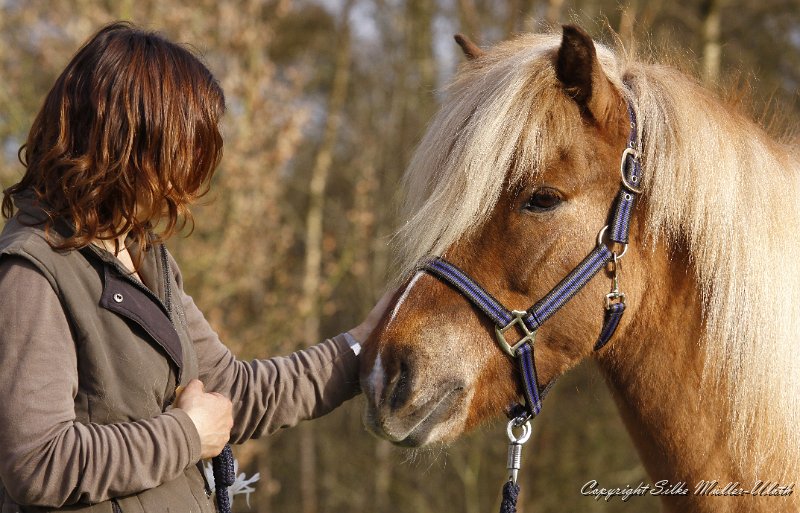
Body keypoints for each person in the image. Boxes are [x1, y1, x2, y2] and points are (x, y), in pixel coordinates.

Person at [0, 22, 390, 513]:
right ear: (128, 143)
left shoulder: (142, 256)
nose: (186, 176)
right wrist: (187, 435)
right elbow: (39, 463)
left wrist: (362, 346)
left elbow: (236, 393)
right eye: (180, 150)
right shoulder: (30, 273)